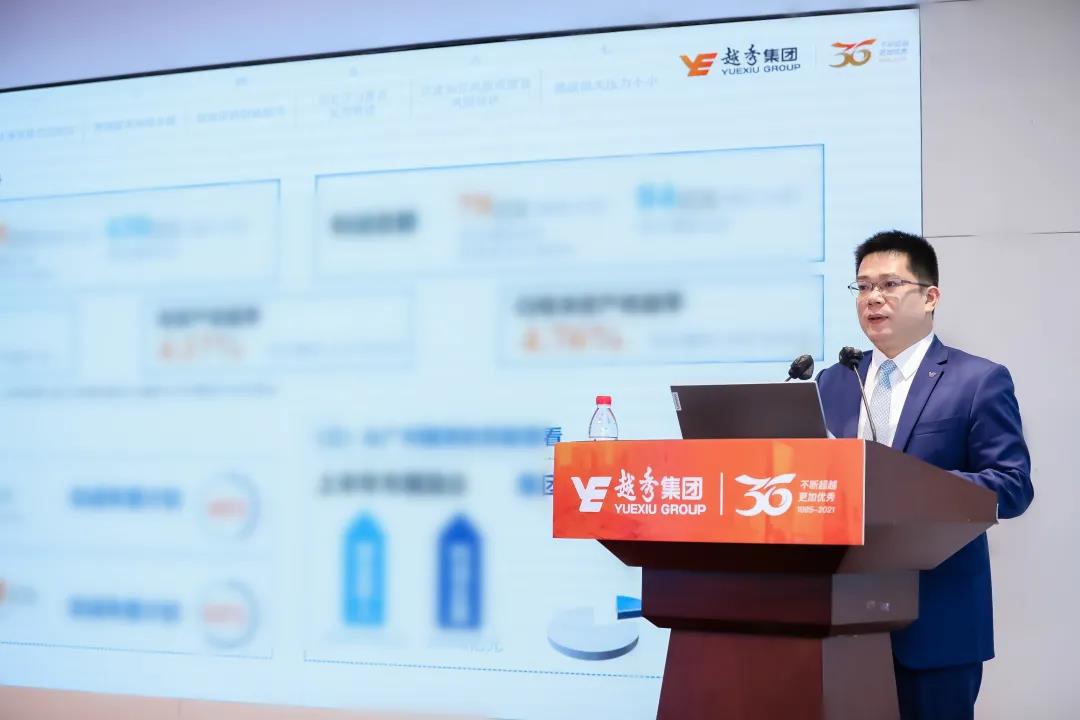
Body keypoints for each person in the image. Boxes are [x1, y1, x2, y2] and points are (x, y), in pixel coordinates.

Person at [816, 230, 1034, 720]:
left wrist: (911, 485)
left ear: (930, 296)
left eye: (890, 284)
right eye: (863, 287)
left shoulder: (977, 380)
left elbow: (1013, 485)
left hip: (935, 623)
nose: (873, 298)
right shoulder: (834, 381)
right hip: (840, 620)